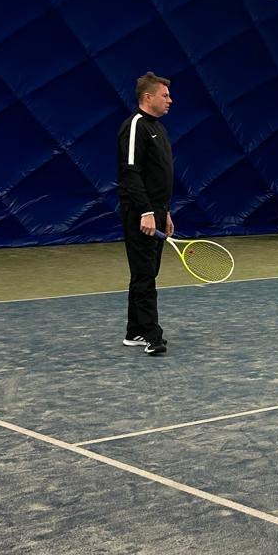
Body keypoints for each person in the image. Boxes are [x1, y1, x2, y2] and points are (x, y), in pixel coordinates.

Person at [117, 72, 175, 356]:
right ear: (148, 97)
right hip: (141, 214)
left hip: (157, 212)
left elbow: (158, 176)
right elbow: (130, 173)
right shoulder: (135, 126)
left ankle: (135, 331)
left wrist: (165, 212)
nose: (170, 100)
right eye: (165, 95)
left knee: (147, 273)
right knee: (144, 275)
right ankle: (152, 336)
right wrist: (146, 212)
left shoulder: (158, 128)